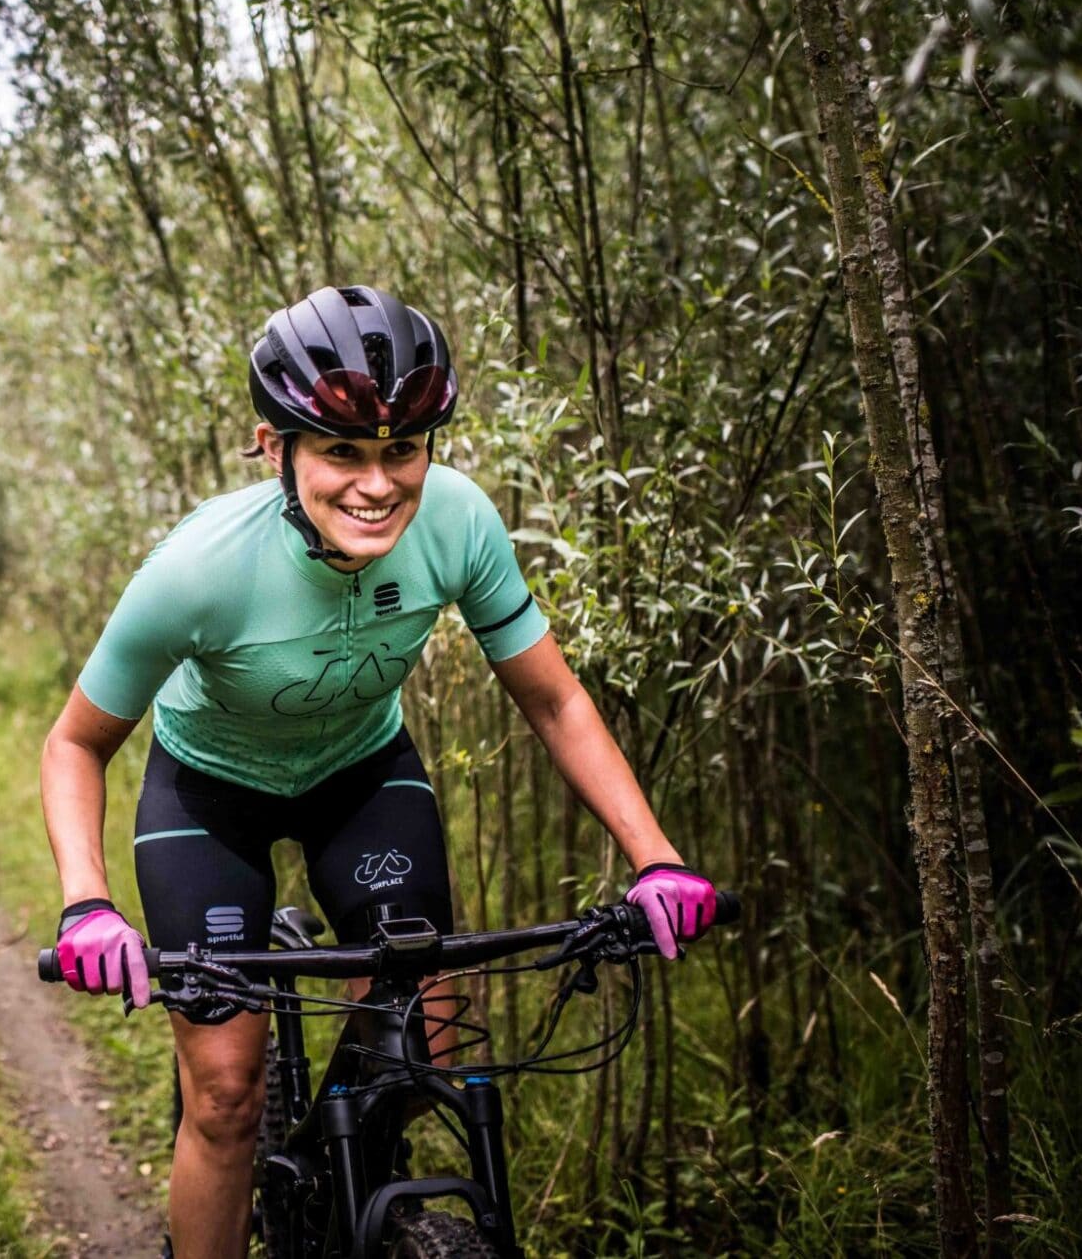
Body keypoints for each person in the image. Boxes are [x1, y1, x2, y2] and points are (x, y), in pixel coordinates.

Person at [40, 285, 717, 1259]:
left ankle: (331, 1180)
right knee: (227, 1095)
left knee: (426, 1037)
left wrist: (654, 858)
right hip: (208, 798)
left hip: (359, 776)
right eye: (341, 453)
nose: (377, 484)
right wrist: (84, 904)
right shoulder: (199, 569)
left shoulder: (457, 523)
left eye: (401, 450)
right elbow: (73, 743)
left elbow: (554, 698)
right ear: (274, 450)